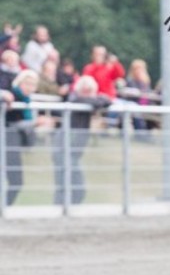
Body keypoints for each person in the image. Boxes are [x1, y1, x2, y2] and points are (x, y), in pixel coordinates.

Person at [51, 75, 111, 204]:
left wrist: (99, 99)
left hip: (72, 152)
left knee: (74, 189)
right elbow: (98, 101)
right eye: (85, 90)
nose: (88, 94)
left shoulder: (85, 100)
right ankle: (59, 214)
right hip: (63, 150)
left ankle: (65, 214)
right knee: (70, 188)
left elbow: (107, 101)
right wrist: (97, 99)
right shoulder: (75, 99)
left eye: (90, 91)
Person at [1, 69, 40, 205]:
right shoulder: (11, 95)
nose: (29, 87)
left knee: (16, 182)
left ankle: (3, 208)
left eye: (32, 84)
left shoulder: (27, 102)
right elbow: (12, 124)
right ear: (19, 82)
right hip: (6, 143)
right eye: (27, 83)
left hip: (13, 147)